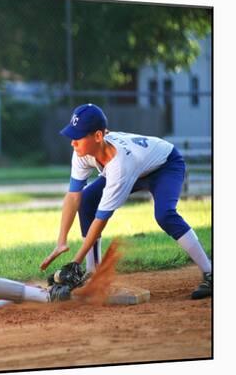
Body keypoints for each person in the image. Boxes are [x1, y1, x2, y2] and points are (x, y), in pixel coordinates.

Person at [40, 103, 212, 300]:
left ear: (98, 136)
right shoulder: (83, 152)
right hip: (136, 165)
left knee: (164, 214)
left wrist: (74, 263)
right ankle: (93, 272)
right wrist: (61, 241)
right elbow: (73, 196)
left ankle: (210, 272)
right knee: (87, 200)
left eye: (78, 136)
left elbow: (100, 219)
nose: (73, 142)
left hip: (165, 166)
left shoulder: (119, 167)